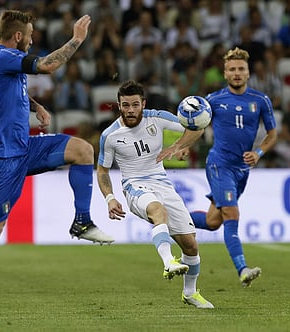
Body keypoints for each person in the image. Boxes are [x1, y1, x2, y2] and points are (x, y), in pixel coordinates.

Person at [0, 10, 114, 326]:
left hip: (24, 147)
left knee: (82, 150)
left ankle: (82, 222)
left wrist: (36, 106)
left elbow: (7, 92)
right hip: (1, 158)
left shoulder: (5, 60)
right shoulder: (2, 57)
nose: (32, 38)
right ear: (17, 37)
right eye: (29, 34)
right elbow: (49, 66)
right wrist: (76, 40)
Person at [160, 47, 278, 287]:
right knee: (231, 214)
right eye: (232, 69)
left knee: (214, 222)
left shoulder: (260, 100)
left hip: (242, 169)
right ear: (225, 73)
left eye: (241, 69)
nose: (237, 73)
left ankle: (169, 217)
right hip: (219, 164)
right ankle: (242, 269)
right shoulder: (213, 100)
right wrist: (184, 146)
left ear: (248, 72)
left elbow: (272, 134)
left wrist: (258, 152)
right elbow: (199, 127)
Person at [97, 80, 213, 309]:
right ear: (119, 106)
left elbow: (196, 127)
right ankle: (168, 261)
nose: (130, 110)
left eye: (135, 105)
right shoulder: (110, 135)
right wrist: (110, 198)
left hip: (162, 184)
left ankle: (190, 293)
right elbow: (102, 170)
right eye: (125, 105)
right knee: (157, 210)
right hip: (134, 186)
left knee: (191, 245)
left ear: (143, 104)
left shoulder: (157, 117)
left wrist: (179, 145)